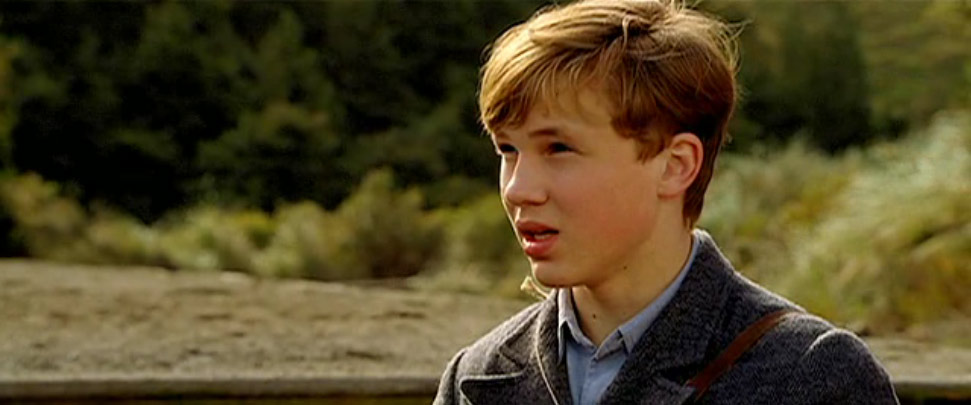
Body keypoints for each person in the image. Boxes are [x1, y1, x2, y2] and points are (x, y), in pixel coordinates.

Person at [433, 0, 899, 404]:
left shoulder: (814, 377)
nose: (518, 189)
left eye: (558, 148)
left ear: (676, 165)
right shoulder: (476, 376)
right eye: (508, 150)